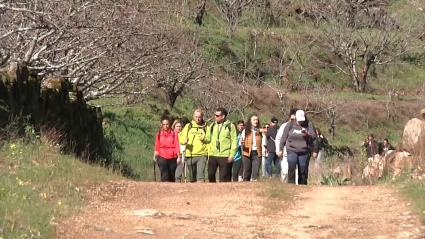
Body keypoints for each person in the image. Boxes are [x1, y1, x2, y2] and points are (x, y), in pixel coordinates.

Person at [279, 110, 316, 185]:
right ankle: (291, 185)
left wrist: (307, 135)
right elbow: (284, 137)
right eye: (299, 120)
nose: (301, 122)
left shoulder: (309, 125)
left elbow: (314, 138)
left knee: (303, 169)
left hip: (304, 151)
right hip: (292, 149)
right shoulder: (290, 125)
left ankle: (302, 185)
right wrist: (281, 149)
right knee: (291, 166)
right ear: (295, 118)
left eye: (302, 120)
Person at [204, 108, 237, 182]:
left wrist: (232, 155)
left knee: (223, 178)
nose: (215, 117)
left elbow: (234, 141)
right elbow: (208, 139)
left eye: (217, 115)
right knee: (210, 174)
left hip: (225, 155)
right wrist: (203, 138)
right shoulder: (212, 125)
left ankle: (223, 192)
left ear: (223, 116)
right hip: (213, 154)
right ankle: (213, 191)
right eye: (215, 115)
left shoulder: (230, 126)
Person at [179, 109, 208, 182]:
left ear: (202, 117)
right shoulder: (188, 126)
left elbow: (209, 140)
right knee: (192, 178)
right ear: (193, 117)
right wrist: (184, 141)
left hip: (202, 154)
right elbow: (181, 139)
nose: (198, 119)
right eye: (196, 117)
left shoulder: (206, 127)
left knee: (200, 177)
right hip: (190, 155)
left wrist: (208, 152)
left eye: (199, 117)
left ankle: (201, 191)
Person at [154, 116, 181, 182]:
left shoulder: (174, 133)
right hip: (162, 156)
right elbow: (157, 144)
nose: (165, 126)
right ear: (161, 125)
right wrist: (155, 154)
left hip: (172, 157)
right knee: (164, 176)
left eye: (167, 124)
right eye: (164, 124)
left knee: (171, 176)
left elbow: (176, 145)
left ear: (170, 124)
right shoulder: (159, 133)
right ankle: (164, 190)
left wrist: (179, 156)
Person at [276, 109, 297, 182]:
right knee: (285, 172)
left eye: (295, 119)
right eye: (292, 119)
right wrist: (278, 150)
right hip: (285, 152)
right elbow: (278, 139)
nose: (293, 121)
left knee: (296, 173)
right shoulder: (284, 126)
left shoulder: (300, 127)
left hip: (296, 153)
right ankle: (283, 188)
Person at [241, 114, 263, 181]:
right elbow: (241, 142)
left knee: (255, 173)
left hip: (257, 152)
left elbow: (264, 142)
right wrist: (244, 150)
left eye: (257, 120)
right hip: (247, 151)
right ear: (250, 121)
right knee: (247, 171)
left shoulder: (260, 131)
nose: (256, 121)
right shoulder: (245, 131)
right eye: (254, 120)